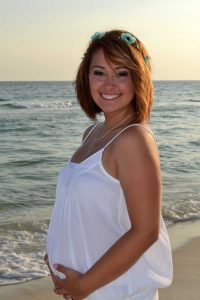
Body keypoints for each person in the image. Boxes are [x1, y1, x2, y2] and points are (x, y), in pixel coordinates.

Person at [45, 29, 173, 300]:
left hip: (116, 292)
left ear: (139, 78)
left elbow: (145, 231)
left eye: (122, 73)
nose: (109, 84)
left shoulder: (133, 140)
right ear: (86, 76)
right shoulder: (92, 134)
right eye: (99, 72)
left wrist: (84, 285)